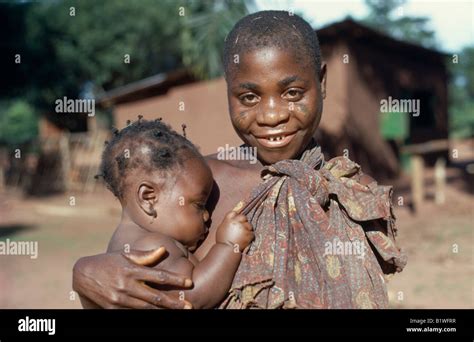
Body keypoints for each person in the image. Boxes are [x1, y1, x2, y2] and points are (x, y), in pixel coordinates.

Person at [73, 10, 406, 309]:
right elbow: (135, 273)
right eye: (248, 97)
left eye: (292, 93)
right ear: (228, 92)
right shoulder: (202, 188)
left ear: (321, 82)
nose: (272, 115)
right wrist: (85, 275)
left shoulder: (352, 196)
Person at [82, 117, 253, 309]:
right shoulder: (153, 248)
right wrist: (229, 245)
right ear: (148, 198)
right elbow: (193, 297)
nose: (207, 216)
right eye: (198, 205)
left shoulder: (124, 240)